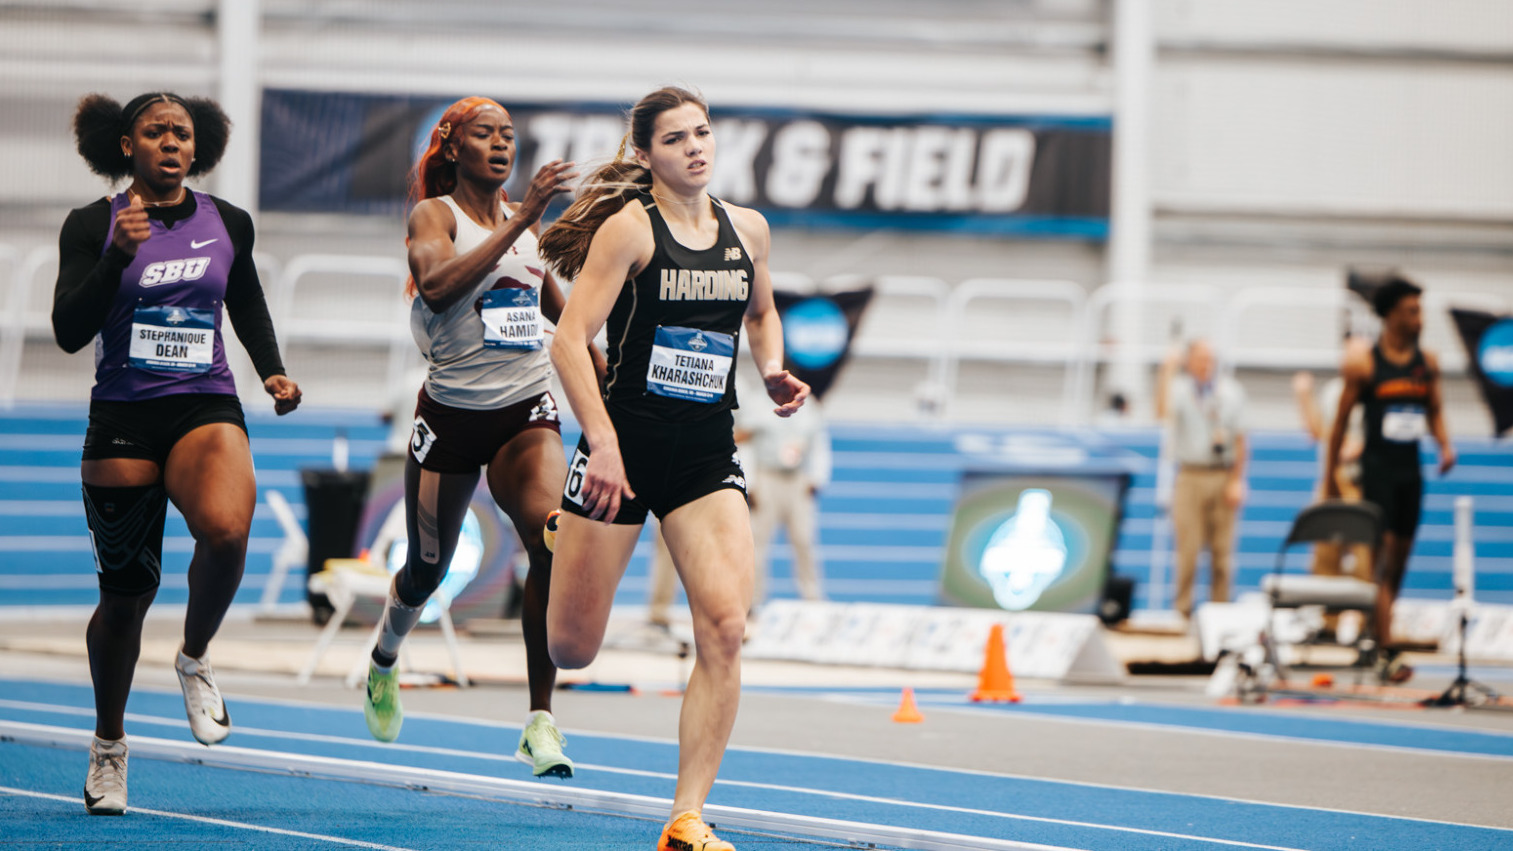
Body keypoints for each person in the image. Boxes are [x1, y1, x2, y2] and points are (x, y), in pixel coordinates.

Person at [538, 86, 809, 851]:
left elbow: (759, 313)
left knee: (725, 626)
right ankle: (560, 535)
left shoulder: (747, 230)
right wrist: (602, 438)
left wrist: (773, 368)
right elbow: (568, 338)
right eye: (676, 138)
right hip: (618, 451)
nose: (696, 147)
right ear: (647, 155)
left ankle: (687, 814)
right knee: (571, 649)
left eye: (703, 133)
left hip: (702, 455)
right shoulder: (629, 230)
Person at [55, 92, 302, 815]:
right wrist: (117, 257)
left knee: (227, 530)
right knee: (124, 599)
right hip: (124, 414)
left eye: (182, 133)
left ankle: (194, 655)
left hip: (205, 399)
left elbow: (246, 300)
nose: (170, 141)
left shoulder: (227, 221)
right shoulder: (92, 224)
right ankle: (108, 746)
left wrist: (271, 370)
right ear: (125, 144)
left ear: (198, 149)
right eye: (155, 131)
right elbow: (70, 329)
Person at [362, 97, 592, 780]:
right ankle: (383, 659)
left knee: (553, 535)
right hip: (452, 421)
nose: (500, 144)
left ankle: (539, 720)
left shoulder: (525, 229)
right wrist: (524, 218)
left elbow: (561, 313)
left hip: (524, 409)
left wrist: (610, 386)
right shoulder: (435, 217)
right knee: (426, 571)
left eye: (508, 135)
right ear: (452, 147)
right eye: (483, 134)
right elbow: (435, 287)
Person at [1324, 276, 1455, 682]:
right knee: (1380, 562)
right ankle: (1386, 647)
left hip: (1410, 474)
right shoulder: (1364, 363)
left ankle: (1374, 635)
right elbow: (1341, 422)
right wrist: (1330, 475)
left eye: (1421, 311)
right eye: (1413, 311)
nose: (1420, 319)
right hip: (1377, 473)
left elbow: (1434, 408)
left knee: (1399, 564)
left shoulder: (1426, 363)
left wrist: (1445, 445)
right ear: (1391, 315)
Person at [1156, 339, 1247, 619]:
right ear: (1188, 361)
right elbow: (1161, 413)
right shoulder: (1180, 389)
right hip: (1190, 475)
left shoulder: (1230, 392)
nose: (1206, 364)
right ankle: (1182, 612)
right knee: (1187, 550)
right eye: (1200, 359)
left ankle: (1219, 616)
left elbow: (1242, 439)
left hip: (1222, 474)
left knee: (1222, 553)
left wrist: (1237, 480)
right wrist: (1165, 372)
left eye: (1210, 358)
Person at [1294, 365, 1373, 632]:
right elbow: (1321, 433)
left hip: (1361, 483)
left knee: (1365, 556)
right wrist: (1304, 397)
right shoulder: (1332, 392)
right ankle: (1328, 622)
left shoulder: (1374, 392)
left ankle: (1366, 624)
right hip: (1332, 480)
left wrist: (1359, 446)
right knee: (1326, 552)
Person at [743, 395, 831, 610]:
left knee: (804, 540)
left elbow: (819, 442)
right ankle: (752, 601)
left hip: (797, 478)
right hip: (767, 475)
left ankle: (812, 599)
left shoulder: (809, 407)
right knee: (757, 543)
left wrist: (817, 478)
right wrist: (750, 484)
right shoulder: (758, 405)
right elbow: (747, 444)